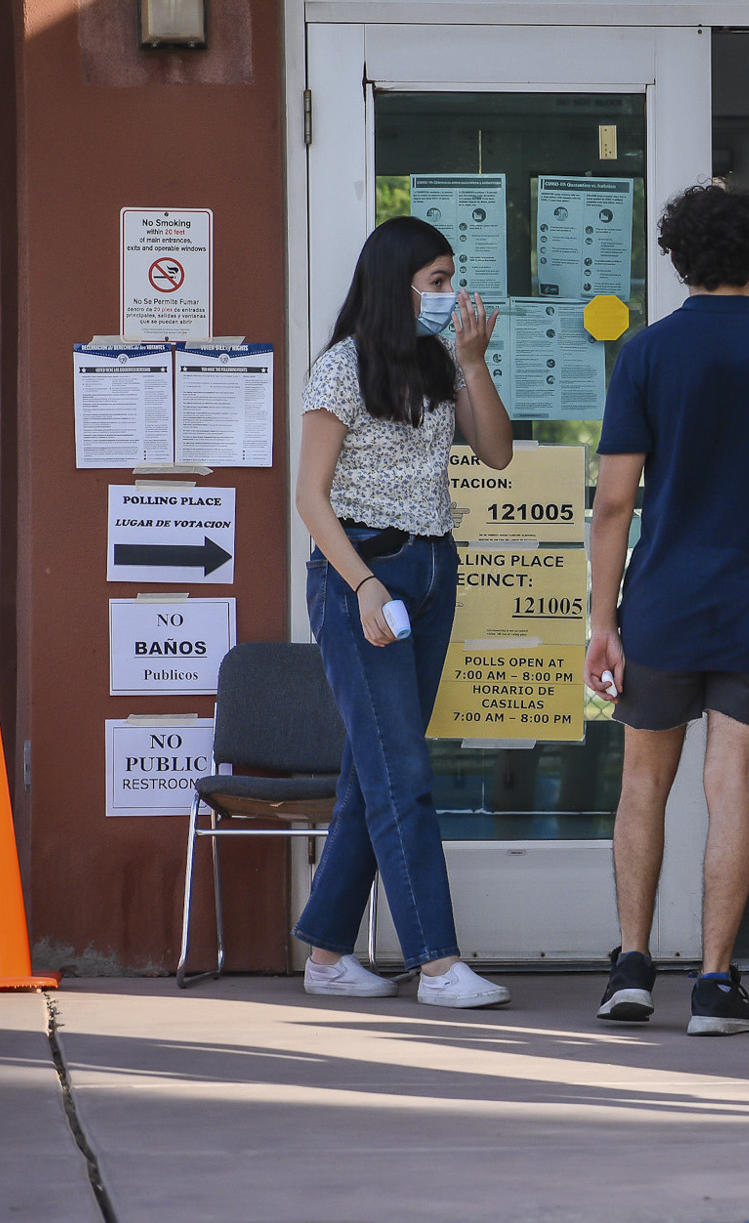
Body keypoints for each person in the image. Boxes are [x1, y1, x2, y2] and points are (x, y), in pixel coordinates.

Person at [587, 183, 749, 1036]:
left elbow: (615, 504)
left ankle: (630, 967)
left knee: (642, 782)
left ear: (676, 258)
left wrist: (603, 619)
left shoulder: (648, 354)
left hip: (663, 599)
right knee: (730, 787)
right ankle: (713, 984)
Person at [293, 215, 517, 1009]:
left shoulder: (436, 361)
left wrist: (473, 363)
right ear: (397, 284)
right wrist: (362, 587)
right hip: (363, 572)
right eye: (436, 281)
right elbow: (309, 500)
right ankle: (436, 961)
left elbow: (497, 451)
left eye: (451, 278)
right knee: (405, 775)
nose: (450, 294)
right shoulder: (342, 368)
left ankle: (325, 954)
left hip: (431, 568)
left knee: (376, 768)